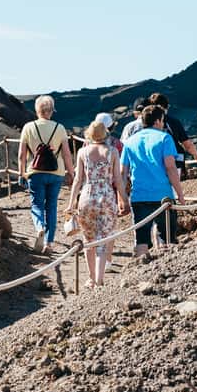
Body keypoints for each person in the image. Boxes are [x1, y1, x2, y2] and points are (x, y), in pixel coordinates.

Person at [66, 120, 129, 288]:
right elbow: (118, 179)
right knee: (104, 239)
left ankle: (91, 278)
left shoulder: (82, 152)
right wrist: (124, 200)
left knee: (88, 239)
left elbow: (78, 179)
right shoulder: (113, 152)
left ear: (89, 135)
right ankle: (100, 279)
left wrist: (71, 203)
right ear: (105, 134)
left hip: (87, 197)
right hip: (107, 197)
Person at [120, 105, 184, 258]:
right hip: (163, 197)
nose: (163, 124)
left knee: (141, 239)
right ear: (157, 121)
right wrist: (180, 193)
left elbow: (122, 173)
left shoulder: (130, 142)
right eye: (162, 120)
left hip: (139, 196)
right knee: (167, 237)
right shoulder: (164, 138)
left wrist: (122, 199)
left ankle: (142, 270)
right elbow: (171, 168)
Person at [18, 95, 75, 253]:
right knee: (52, 206)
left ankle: (39, 228)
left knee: (37, 204)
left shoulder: (28, 127)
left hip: (35, 172)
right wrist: (71, 173)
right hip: (56, 173)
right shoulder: (60, 128)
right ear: (51, 111)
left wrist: (22, 172)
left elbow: (22, 154)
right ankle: (48, 243)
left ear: (37, 110)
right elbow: (67, 154)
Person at [148, 92, 197, 176]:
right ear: (166, 107)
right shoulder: (173, 122)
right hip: (175, 162)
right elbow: (187, 144)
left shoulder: (145, 124)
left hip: (154, 163)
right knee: (174, 187)